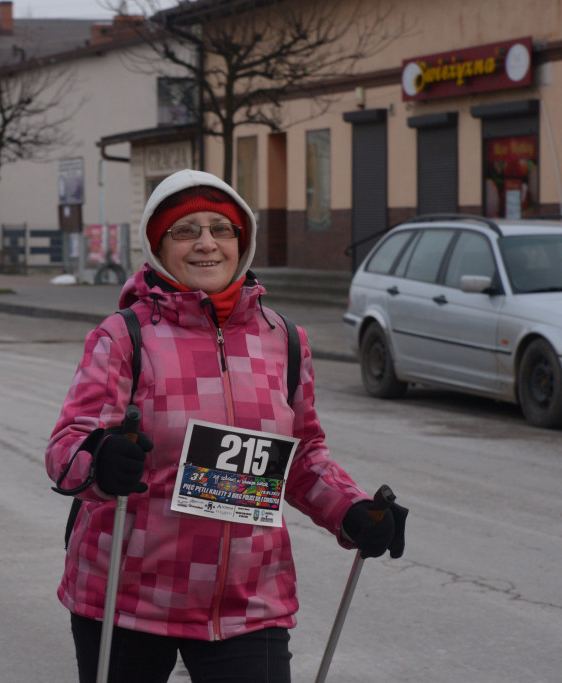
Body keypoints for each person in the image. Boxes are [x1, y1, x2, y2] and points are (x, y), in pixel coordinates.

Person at [45, 169, 407, 683]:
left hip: (247, 601)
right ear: (158, 244)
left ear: (243, 240)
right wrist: (99, 458)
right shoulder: (125, 336)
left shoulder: (283, 340)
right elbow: (66, 449)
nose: (206, 244)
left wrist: (352, 509)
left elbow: (301, 457)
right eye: (186, 230)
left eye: (221, 229)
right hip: (128, 597)